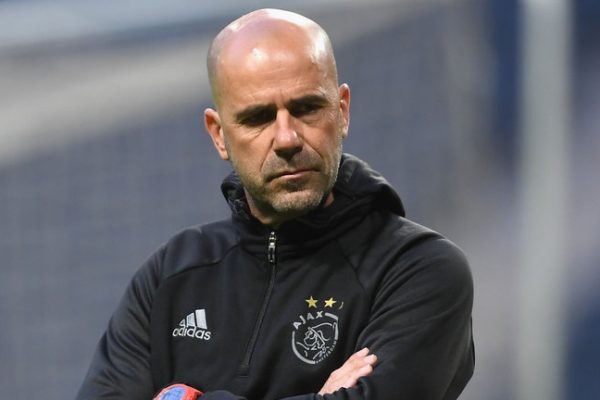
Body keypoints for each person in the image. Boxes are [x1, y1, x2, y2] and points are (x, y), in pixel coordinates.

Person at [77, 8, 474, 400]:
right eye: (258, 118)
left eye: (307, 109)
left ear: (342, 110)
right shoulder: (172, 275)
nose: (287, 139)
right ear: (218, 135)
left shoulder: (417, 270)